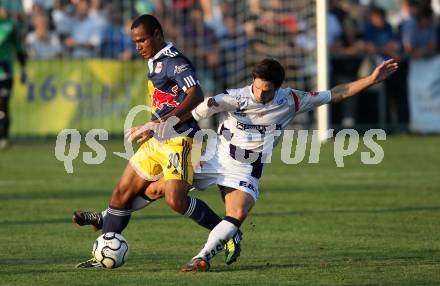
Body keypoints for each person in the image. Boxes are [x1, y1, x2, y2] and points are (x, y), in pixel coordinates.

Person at [76, 57, 399, 271]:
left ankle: (202, 257)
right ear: (253, 82)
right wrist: (156, 125)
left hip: (245, 169)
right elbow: (197, 110)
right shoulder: (234, 97)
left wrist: (371, 79)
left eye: (267, 90)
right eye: (257, 87)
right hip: (214, 155)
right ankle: (107, 217)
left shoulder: (293, 99)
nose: (260, 94)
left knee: (239, 213)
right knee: (163, 190)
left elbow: (337, 93)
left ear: (278, 88)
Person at [74, 14, 234, 268]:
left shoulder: (175, 62)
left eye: (142, 40)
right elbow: (169, 99)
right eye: (135, 41)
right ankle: (102, 254)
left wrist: (160, 123)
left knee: (175, 200)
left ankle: (226, 232)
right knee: (121, 194)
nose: (138, 46)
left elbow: (196, 95)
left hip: (180, 141)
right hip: (156, 141)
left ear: (158, 34)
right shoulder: (155, 60)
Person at [0, 5, 27, 149]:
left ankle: (4, 136)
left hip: (4, 71)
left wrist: (23, 69)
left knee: (3, 105)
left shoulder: (10, 26)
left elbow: (19, 49)